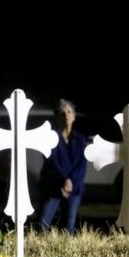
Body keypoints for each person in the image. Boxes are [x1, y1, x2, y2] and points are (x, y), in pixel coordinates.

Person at [38, 99, 87, 234]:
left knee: (69, 227)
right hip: (53, 187)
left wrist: (70, 182)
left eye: (69, 112)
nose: (66, 116)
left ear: (74, 116)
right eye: (62, 113)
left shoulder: (80, 139)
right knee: (42, 224)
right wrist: (64, 180)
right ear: (57, 117)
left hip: (73, 188)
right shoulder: (51, 137)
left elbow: (82, 164)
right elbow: (51, 161)